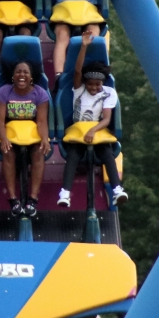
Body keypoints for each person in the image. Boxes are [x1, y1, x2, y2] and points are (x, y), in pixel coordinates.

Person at [58, 27, 126, 207]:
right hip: (78, 130)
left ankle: (117, 189)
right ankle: (65, 193)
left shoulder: (109, 93)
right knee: (73, 153)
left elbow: (106, 118)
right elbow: (78, 71)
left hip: (98, 131)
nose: (94, 87)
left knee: (106, 152)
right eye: (91, 84)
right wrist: (83, 47)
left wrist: (93, 130)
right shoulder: (79, 89)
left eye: (97, 84)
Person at [0, 60, 50, 217]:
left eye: (25, 72)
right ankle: (13, 199)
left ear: (31, 77)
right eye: (18, 71)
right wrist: (3, 138)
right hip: (11, 134)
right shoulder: (3, 92)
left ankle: (32, 199)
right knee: (8, 153)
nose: (22, 75)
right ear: (13, 75)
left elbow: (41, 121)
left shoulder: (40, 93)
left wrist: (45, 139)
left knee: (39, 152)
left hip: (31, 135)